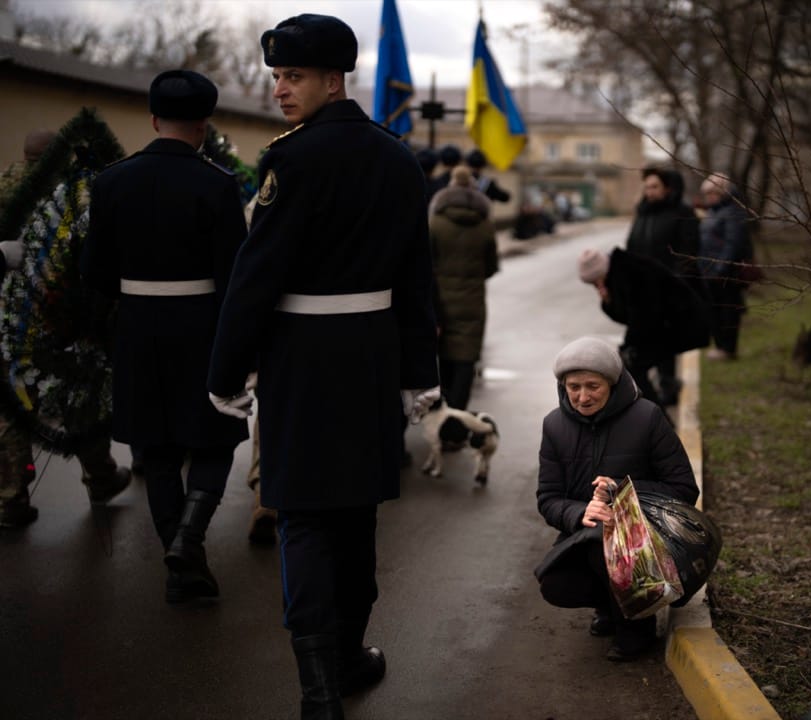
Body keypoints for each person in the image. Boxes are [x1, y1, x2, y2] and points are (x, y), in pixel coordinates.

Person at [205, 14, 439, 718]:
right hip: (368, 359)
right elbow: (414, 277)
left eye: (294, 76)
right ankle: (346, 657)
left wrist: (226, 372)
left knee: (303, 519)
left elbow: (256, 276)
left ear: (334, 79)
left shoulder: (291, 159)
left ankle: (319, 691)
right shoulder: (399, 158)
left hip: (301, 363)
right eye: (277, 75)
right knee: (354, 516)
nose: (280, 89)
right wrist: (418, 371)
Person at [81, 70, 249, 603]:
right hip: (201, 325)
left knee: (155, 448)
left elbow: (96, 276)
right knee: (215, 437)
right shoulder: (219, 184)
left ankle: (182, 567)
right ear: (203, 126)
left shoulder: (110, 182)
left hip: (136, 326)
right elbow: (234, 278)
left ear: (153, 120)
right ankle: (189, 539)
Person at [535, 336, 699, 661]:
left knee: (602, 545)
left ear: (612, 383)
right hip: (587, 533)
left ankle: (637, 626)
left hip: (647, 538)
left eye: (592, 386)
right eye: (573, 387)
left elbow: (684, 488)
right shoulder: (554, 425)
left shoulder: (647, 417)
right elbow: (548, 497)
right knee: (557, 581)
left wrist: (622, 493)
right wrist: (580, 512)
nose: (582, 397)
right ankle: (610, 607)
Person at [0, 129, 131, 530]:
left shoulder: (6, 183)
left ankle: (10, 498)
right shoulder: (75, 195)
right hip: (65, 315)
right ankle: (101, 477)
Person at [577, 247, 709, 407]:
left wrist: (628, 347)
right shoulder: (616, 273)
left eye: (595, 281)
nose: (596, 286)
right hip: (667, 324)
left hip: (683, 321)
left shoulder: (632, 271)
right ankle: (664, 398)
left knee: (633, 366)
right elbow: (629, 318)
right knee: (636, 360)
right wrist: (608, 301)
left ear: (600, 272)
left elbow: (643, 316)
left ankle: (658, 422)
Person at [625, 167, 700, 405]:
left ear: (667, 188)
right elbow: (632, 247)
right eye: (647, 187)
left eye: (654, 186)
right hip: (641, 289)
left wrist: (676, 284)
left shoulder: (682, 212)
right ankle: (644, 390)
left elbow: (688, 252)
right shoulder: (643, 212)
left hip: (667, 290)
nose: (649, 191)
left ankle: (668, 385)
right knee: (637, 341)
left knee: (665, 342)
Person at [429, 165, 498, 410]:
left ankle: (443, 412)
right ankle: (458, 415)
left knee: (443, 357)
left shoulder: (435, 221)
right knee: (465, 357)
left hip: (440, 298)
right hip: (472, 298)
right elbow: (492, 266)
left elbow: (426, 261)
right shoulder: (485, 224)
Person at [697, 172, 752, 361]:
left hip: (725, 274)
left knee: (728, 313)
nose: (709, 196)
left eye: (713, 192)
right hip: (709, 272)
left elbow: (733, 245)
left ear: (723, 191)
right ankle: (720, 347)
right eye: (707, 193)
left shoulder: (733, 211)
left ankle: (728, 349)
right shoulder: (714, 211)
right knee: (714, 313)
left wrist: (720, 269)